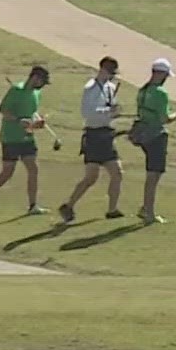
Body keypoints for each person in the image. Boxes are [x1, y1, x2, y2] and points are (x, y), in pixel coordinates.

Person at [0, 65, 50, 220]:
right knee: (7, 173)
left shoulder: (36, 93)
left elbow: (31, 114)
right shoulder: (16, 90)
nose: (42, 85)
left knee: (33, 169)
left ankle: (33, 206)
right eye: (42, 81)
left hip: (27, 137)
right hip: (11, 137)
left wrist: (37, 123)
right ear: (35, 78)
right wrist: (18, 120)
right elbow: (3, 109)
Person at [59, 56, 124, 224]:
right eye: (110, 72)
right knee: (91, 178)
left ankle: (112, 209)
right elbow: (87, 113)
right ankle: (69, 205)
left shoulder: (110, 87)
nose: (111, 76)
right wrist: (108, 111)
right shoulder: (91, 88)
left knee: (117, 173)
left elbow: (112, 109)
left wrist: (115, 111)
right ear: (102, 69)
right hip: (94, 135)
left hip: (106, 133)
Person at [127, 57, 176, 224]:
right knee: (153, 175)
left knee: (152, 174)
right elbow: (164, 119)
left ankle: (146, 208)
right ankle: (148, 212)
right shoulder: (160, 93)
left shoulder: (143, 90)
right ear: (161, 74)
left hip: (143, 133)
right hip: (155, 136)